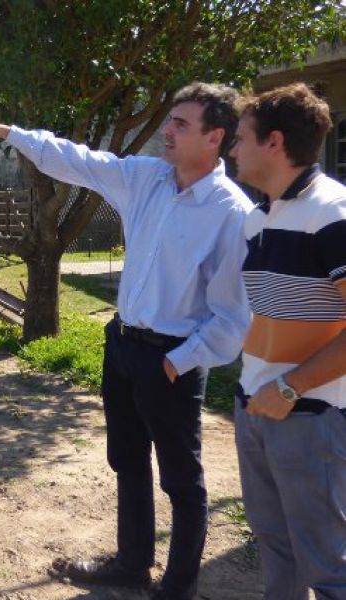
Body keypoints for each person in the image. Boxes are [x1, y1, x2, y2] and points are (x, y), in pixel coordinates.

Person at [0, 82, 252, 600]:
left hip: (171, 360)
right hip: (123, 346)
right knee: (127, 459)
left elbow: (231, 318)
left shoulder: (231, 213)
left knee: (182, 481)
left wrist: (180, 362)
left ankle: (177, 589)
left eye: (181, 124)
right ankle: (131, 564)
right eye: (171, 120)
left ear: (215, 136)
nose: (168, 132)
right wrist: (4, 133)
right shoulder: (146, 179)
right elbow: (75, 159)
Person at [228, 83, 346, 598]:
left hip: (311, 415)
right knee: (276, 550)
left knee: (327, 564)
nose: (232, 150)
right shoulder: (258, 219)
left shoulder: (333, 213)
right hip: (257, 407)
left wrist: (292, 388)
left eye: (240, 138)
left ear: (273, 142)